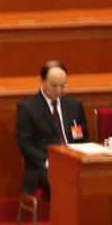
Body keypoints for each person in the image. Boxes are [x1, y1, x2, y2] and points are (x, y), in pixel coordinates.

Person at [16, 62, 85, 191]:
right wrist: (49, 162)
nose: (59, 91)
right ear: (42, 81)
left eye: (63, 86)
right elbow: (25, 145)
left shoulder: (74, 106)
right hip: (42, 167)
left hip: (72, 162)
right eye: (54, 86)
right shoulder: (28, 108)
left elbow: (81, 137)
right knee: (65, 181)